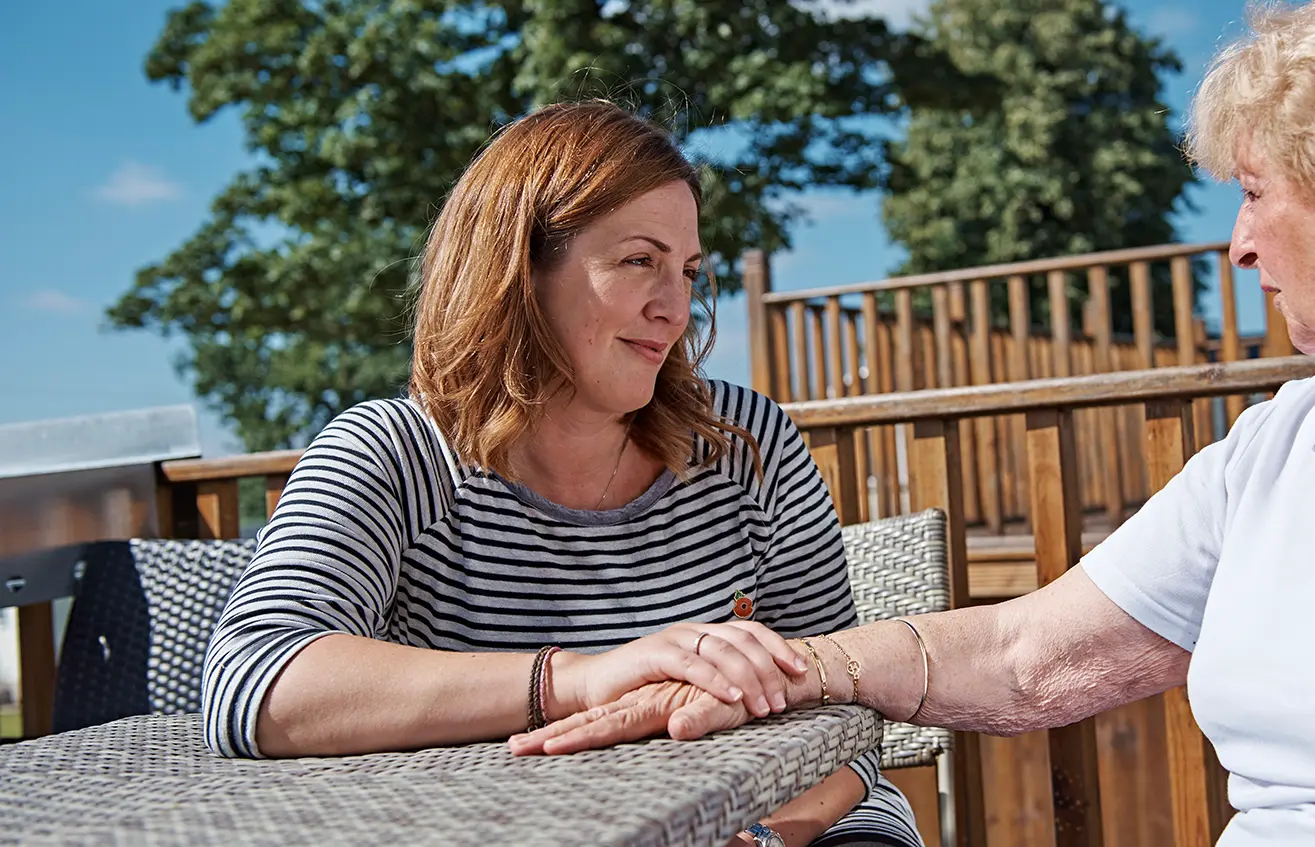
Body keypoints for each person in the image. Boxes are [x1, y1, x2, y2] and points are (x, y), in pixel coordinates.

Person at [512, 1, 1315, 843]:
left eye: (1256, 192)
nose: (1239, 246)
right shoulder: (1290, 441)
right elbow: (1031, 654)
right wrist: (774, 668)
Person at [200, 101, 922, 847]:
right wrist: (575, 680)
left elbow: (848, 716)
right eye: (641, 260)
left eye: (688, 271)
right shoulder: (396, 453)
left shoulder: (746, 445)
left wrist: (765, 834)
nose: (676, 309)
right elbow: (253, 682)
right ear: (519, 269)